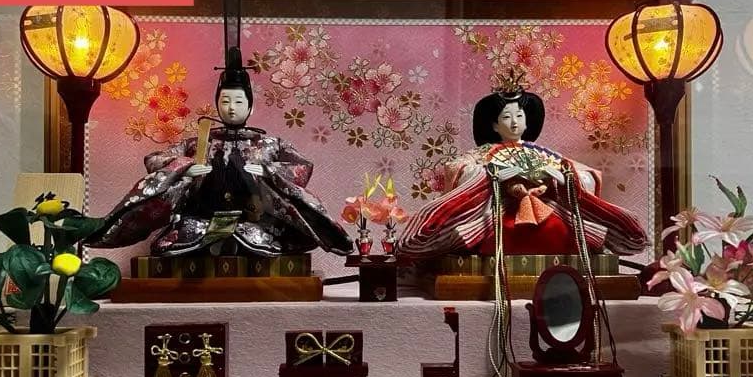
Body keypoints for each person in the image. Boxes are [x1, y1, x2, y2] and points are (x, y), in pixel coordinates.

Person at [87, 49, 352, 259]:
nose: (231, 108)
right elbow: (154, 159)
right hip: (200, 220)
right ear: (217, 104)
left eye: (238, 102)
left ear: (250, 107)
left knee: (257, 239)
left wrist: (269, 171)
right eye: (225, 101)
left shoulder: (269, 143)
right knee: (186, 240)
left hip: (255, 222)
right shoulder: (200, 142)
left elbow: (302, 167)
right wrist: (185, 167)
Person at [399, 84, 648, 258]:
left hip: (546, 208)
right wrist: (491, 176)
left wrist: (562, 177)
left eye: (519, 115)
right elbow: (457, 168)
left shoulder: (543, 153)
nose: (514, 122)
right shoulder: (483, 153)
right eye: (506, 117)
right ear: (494, 124)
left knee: (564, 227)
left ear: (527, 120)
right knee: (491, 229)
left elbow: (586, 174)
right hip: (500, 210)